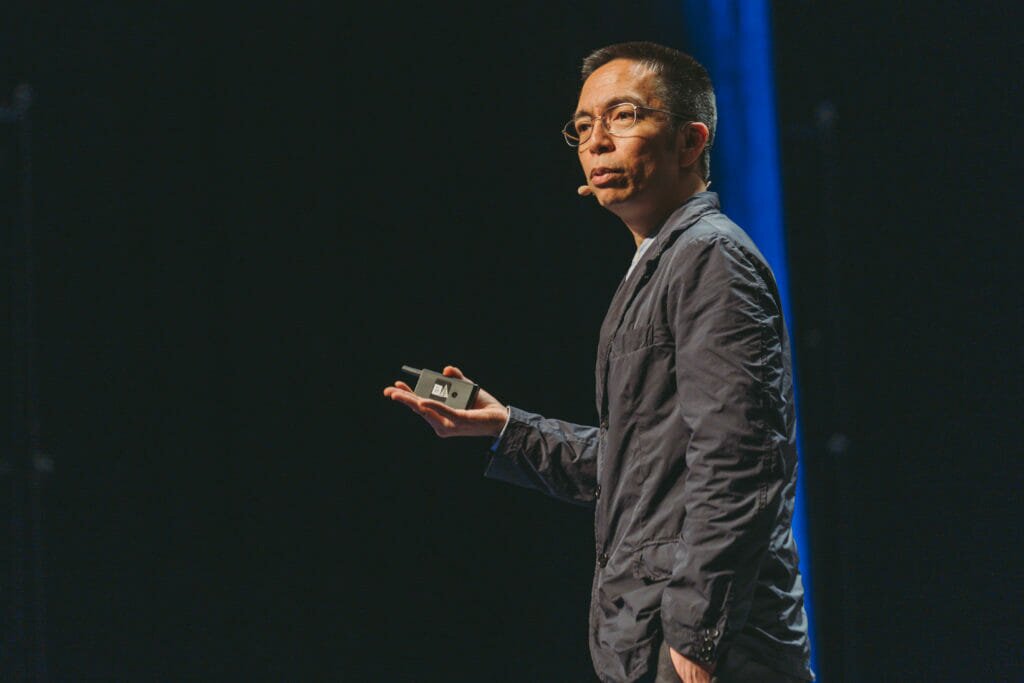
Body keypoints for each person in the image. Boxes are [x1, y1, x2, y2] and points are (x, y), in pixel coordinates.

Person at [383, 42, 812, 683]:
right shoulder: (663, 265)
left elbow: (741, 460)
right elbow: (645, 466)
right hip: (650, 638)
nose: (597, 141)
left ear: (690, 141)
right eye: (583, 127)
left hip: (712, 646)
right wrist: (506, 428)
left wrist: (698, 638)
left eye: (624, 117)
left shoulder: (710, 259)